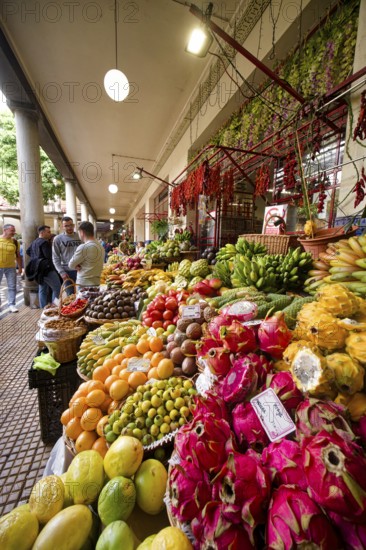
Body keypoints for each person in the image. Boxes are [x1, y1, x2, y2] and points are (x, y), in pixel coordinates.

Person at [26, 225, 62, 308]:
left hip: (38, 271)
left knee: (42, 289)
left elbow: (28, 251)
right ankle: (54, 308)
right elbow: (49, 257)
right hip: (47, 270)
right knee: (57, 288)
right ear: (42, 233)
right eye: (48, 232)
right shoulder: (44, 242)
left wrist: (36, 258)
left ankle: (43, 309)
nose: (50, 234)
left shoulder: (35, 242)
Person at [68, 221, 104, 289]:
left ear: (82, 232)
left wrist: (77, 266)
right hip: (96, 282)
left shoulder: (83, 247)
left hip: (84, 284)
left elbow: (71, 265)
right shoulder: (101, 246)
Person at [52, 216, 81, 294]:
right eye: (66, 226)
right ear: (62, 227)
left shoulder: (80, 236)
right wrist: (61, 272)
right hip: (67, 271)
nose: (69, 227)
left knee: (83, 294)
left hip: (81, 270)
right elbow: (55, 257)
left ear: (74, 225)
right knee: (70, 295)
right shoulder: (58, 239)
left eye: (71, 225)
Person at [0, 224, 22, 312]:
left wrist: (20, 267)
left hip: (11, 267)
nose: (14, 232)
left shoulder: (15, 242)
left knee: (12, 286)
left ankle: (12, 305)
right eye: (12, 230)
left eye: (14, 230)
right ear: (5, 230)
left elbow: (18, 256)